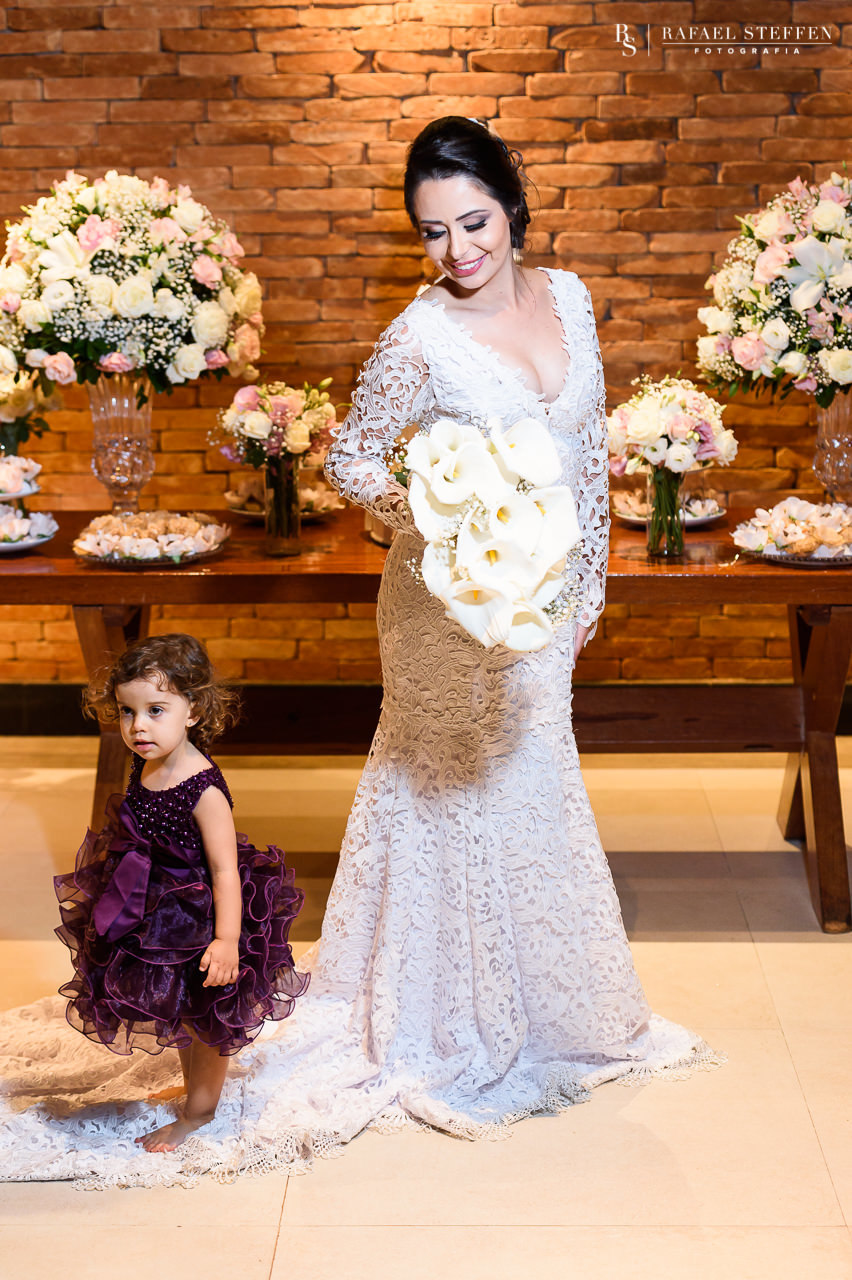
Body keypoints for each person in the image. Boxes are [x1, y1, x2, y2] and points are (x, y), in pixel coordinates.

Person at [0, 119, 720, 1189]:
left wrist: (589, 592)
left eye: (473, 222)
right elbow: (350, 461)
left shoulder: (568, 299)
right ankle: (438, 1017)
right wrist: (442, 518)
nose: (457, 249)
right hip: (444, 605)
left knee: (533, 789)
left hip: (543, 605)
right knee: (449, 797)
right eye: (433, 231)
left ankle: (545, 1007)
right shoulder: (420, 333)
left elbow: (581, 458)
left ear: (511, 207)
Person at [54, 632, 308, 1153]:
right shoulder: (144, 762)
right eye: (127, 712)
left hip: (201, 918)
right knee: (181, 1010)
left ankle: (200, 1113)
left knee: (208, 1014)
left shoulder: (204, 787)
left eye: (155, 710)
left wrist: (227, 940)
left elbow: (225, 872)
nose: (138, 726)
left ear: (193, 710)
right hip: (154, 911)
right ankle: (196, 1091)